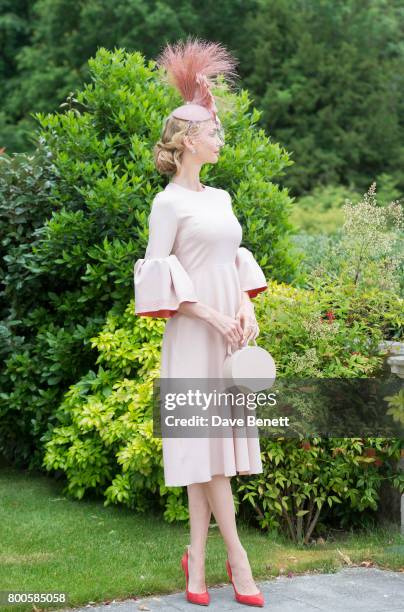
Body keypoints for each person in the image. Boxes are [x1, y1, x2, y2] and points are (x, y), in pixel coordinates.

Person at [134, 37, 267, 608]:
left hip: (229, 334)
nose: (220, 138)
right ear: (188, 140)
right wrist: (212, 313)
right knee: (204, 449)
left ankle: (196, 564)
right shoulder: (167, 204)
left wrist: (246, 307)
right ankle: (237, 559)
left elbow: (234, 261)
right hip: (193, 336)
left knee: (209, 452)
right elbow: (158, 274)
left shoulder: (222, 197)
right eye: (213, 132)